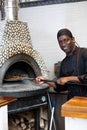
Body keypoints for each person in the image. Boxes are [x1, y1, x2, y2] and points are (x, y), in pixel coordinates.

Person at [36, 28, 87, 100]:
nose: (63, 44)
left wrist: (68, 78)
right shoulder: (64, 63)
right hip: (72, 101)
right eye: (60, 42)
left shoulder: (84, 53)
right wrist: (46, 81)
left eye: (66, 40)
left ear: (73, 39)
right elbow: (61, 87)